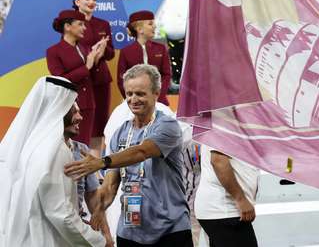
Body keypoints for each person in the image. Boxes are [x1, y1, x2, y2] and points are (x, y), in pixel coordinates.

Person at [64, 64, 191, 247]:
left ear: (156, 93)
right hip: (130, 232)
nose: (133, 99)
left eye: (140, 93)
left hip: (171, 231)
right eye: (129, 94)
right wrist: (99, 211)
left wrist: (102, 162)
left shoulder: (167, 126)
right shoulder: (120, 133)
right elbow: (110, 185)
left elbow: (142, 151)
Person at [0, 76, 106, 246]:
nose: (80, 117)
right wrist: (98, 242)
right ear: (58, 109)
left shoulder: (26, 146)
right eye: (74, 110)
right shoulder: (54, 149)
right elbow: (61, 213)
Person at [46, 9, 107, 145]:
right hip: (70, 105)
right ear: (67, 27)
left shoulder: (84, 48)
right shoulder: (53, 51)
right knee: (70, 145)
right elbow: (60, 80)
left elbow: (91, 74)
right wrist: (86, 67)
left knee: (84, 145)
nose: (84, 28)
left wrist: (97, 58)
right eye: (80, 24)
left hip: (88, 104)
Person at [73, 0, 114, 154]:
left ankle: (95, 166)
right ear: (77, 2)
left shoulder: (103, 24)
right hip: (83, 78)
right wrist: (92, 54)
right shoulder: (71, 23)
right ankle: (81, 162)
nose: (91, 2)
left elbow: (111, 52)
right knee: (82, 123)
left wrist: (103, 50)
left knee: (99, 123)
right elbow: (70, 48)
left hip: (101, 80)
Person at [66, 103, 113, 245]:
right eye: (74, 112)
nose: (80, 117)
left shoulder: (81, 150)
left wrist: (106, 235)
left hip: (77, 230)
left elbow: (92, 195)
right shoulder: (41, 152)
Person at [194, 145, 259, 247]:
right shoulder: (222, 128)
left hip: (225, 211)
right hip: (225, 210)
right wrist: (241, 199)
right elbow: (218, 160)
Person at [117, 11, 172, 105]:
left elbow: (166, 75)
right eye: (150, 23)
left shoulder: (161, 48)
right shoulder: (126, 51)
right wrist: (133, 99)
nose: (154, 26)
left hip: (159, 102)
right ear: (139, 29)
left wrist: (157, 96)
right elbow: (121, 80)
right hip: (135, 104)